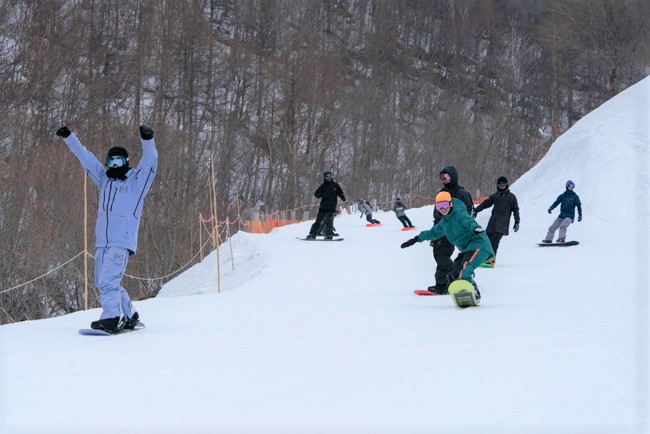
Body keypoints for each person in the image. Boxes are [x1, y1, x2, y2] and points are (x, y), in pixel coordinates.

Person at [56, 124, 158, 333]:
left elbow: (150, 163)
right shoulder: (105, 181)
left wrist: (147, 139)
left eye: (118, 160)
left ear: (126, 162)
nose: (114, 164)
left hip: (121, 240)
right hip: (102, 241)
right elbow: (86, 159)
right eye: (110, 160)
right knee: (103, 281)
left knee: (108, 280)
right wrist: (69, 138)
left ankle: (111, 317)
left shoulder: (137, 183)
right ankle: (130, 315)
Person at [401, 192, 494, 300]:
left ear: (450, 204)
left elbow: (468, 221)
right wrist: (417, 239)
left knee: (466, 267)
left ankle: (473, 292)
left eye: (444, 205)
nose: (442, 209)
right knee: (454, 273)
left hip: (479, 244)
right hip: (467, 249)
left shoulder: (459, 214)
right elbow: (432, 233)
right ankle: (464, 292)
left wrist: (475, 228)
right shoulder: (444, 223)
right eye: (439, 206)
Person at [429, 166, 474, 294]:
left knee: (463, 257)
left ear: (453, 176)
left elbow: (468, 212)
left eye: (447, 177)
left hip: (458, 231)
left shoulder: (462, 194)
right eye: (441, 177)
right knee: (440, 255)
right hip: (442, 229)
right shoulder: (441, 193)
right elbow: (436, 213)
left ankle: (459, 282)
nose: (444, 179)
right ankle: (445, 282)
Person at [472, 176, 520, 266]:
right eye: (500, 185)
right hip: (492, 223)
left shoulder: (511, 197)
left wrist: (517, 221)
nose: (502, 187)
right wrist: (476, 210)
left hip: (502, 224)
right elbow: (486, 203)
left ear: (507, 185)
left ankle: (491, 260)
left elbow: (515, 209)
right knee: (486, 241)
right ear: (497, 186)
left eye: (504, 185)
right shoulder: (495, 196)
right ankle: (485, 258)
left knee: (494, 242)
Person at [306, 171, 345, 240]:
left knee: (329, 221)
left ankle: (328, 235)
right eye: (327, 176)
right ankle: (312, 234)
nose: (329, 178)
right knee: (318, 221)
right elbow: (316, 194)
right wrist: (321, 195)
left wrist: (342, 196)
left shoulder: (335, 185)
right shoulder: (323, 186)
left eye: (330, 176)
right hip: (323, 207)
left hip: (332, 206)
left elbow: (340, 192)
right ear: (325, 177)